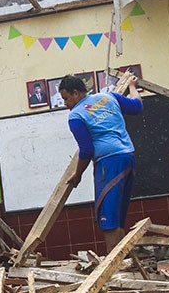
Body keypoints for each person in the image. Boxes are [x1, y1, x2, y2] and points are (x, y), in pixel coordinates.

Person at [60, 74, 143, 252]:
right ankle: (123, 262)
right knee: (118, 217)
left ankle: (113, 269)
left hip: (109, 163)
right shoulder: (108, 97)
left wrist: (78, 175)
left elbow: (87, 150)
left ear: (75, 93)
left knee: (108, 218)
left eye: (66, 99)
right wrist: (132, 87)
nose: (65, 104)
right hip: (128, 157)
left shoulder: (76, 116)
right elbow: (137, 106)